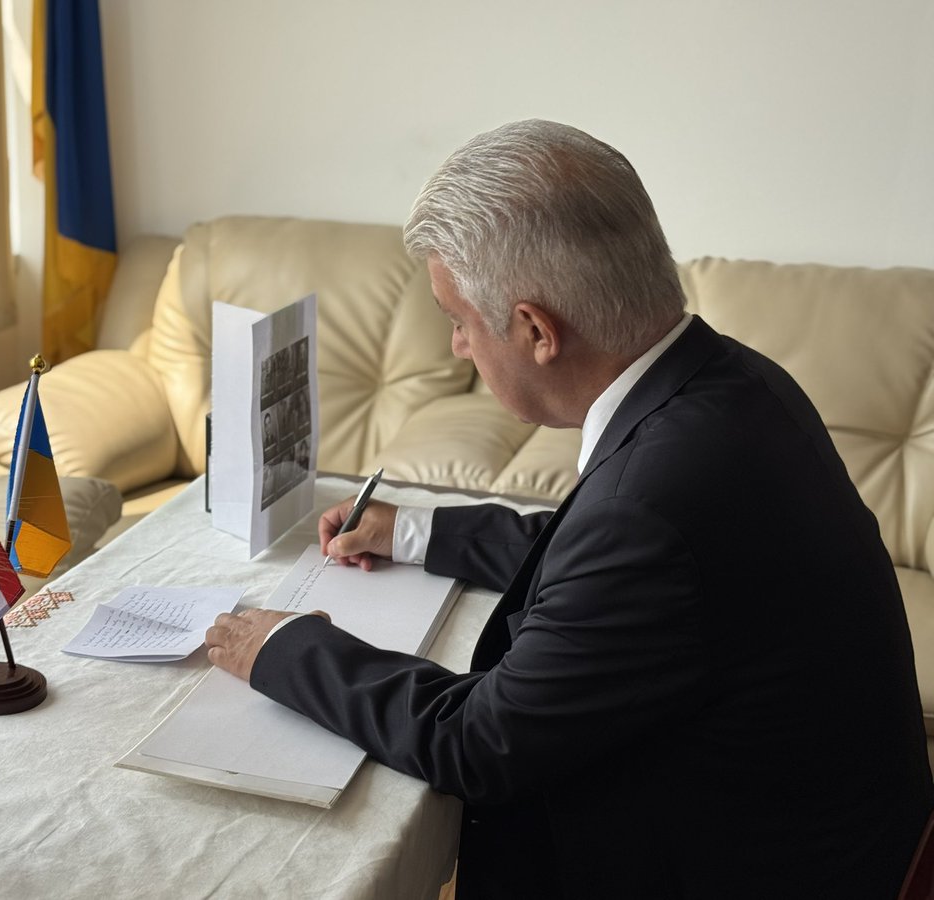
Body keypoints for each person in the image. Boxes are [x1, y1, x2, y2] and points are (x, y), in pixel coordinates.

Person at [205, 120, 934, 898]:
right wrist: (410, 529)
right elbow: (594, 552)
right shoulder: (734, 382)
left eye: (458, 321)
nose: (456, 348)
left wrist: (285, 648)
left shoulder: (651, 506)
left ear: (535, 331)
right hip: (852, 829)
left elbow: (479, 742)